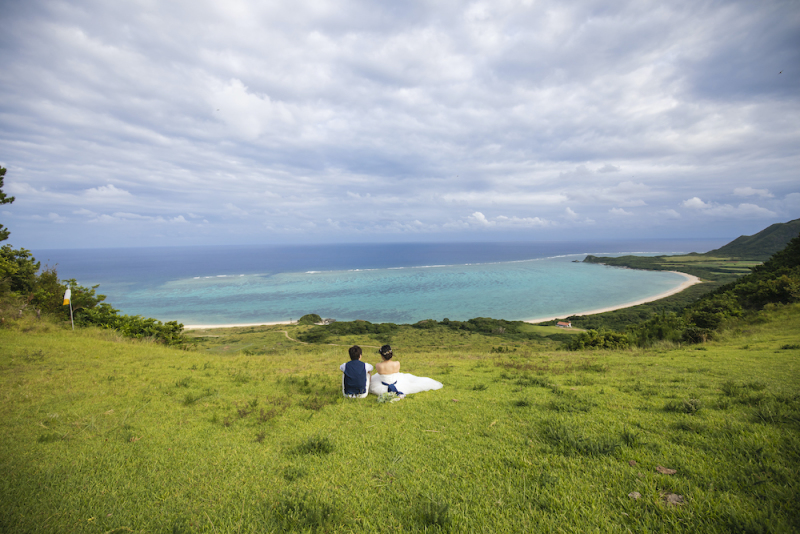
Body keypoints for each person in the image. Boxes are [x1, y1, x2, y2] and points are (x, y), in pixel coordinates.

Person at [369, 344, 443, 396]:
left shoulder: (378, 365)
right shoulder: (397, 363)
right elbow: (396, 373)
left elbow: (380, 373)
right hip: (396, 383)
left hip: (381, 387)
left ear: (382, 356)